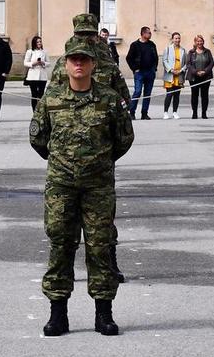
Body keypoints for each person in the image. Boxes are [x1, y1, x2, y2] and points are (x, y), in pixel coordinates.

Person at [30, 39, 134, 337]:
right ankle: (57, 314)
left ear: (92, 64)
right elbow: (38, 139)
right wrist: (64, 163)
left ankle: (104, 314)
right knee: (60, 246)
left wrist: (99, 162)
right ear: (65, 64)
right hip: (61, 187)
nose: (79, 64)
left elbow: (124, 138)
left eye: (84, 60)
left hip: (98, 188)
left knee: (100, 247)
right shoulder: (51, 100)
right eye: (73, 59)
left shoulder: (109, 99)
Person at [125, 26, 160, 120]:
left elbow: (156, 57)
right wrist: (134, 69)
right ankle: (132, 112)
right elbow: (128, 58)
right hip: (139, 72)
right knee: (137, 92)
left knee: (147, 93)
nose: (150, 34)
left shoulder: (152, 44)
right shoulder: (135, 45)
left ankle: (144, 113)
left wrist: (154, 68)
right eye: (149, 33)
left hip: (150, 72)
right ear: (143, 34)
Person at [186, 34, 214, 119]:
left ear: (203, 42)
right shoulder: (191, 52)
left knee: (205, 95)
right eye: (198, 41)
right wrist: (196, 72)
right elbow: (188, 64)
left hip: (205, 77)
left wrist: (205, 71)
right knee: (194, 95)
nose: (199, 43)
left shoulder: (207, 51)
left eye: (201, 41)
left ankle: (204, 113)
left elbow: (211, 63)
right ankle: (194, 113)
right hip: (194, 77)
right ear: (195, 42)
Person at [161, 32, 186, 119]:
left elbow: (186, 63)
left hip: (179, 76)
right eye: (175, 38)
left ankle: (175, 112)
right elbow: (164, 61)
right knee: (169, 94)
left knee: (177, 95)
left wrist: (181, 70)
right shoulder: (167, 49)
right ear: (172, 39)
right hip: (170, 75)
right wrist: (171, 70)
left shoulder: (183, 50)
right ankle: (165, 112)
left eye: (179, 38)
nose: (177, 40)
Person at [23, 35, 49, 108]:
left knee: (41, 94)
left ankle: (41, 111)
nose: (39, 43)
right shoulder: (30, 52)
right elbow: (25, 63)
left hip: (42, 76)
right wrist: (33, 63)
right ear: (34, 43)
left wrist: (43, 63)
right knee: (34, 94)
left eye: (40, 41)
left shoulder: (44, 52)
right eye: (38, 42)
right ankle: (34, 111)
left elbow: (48, 63)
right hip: (33, 76)